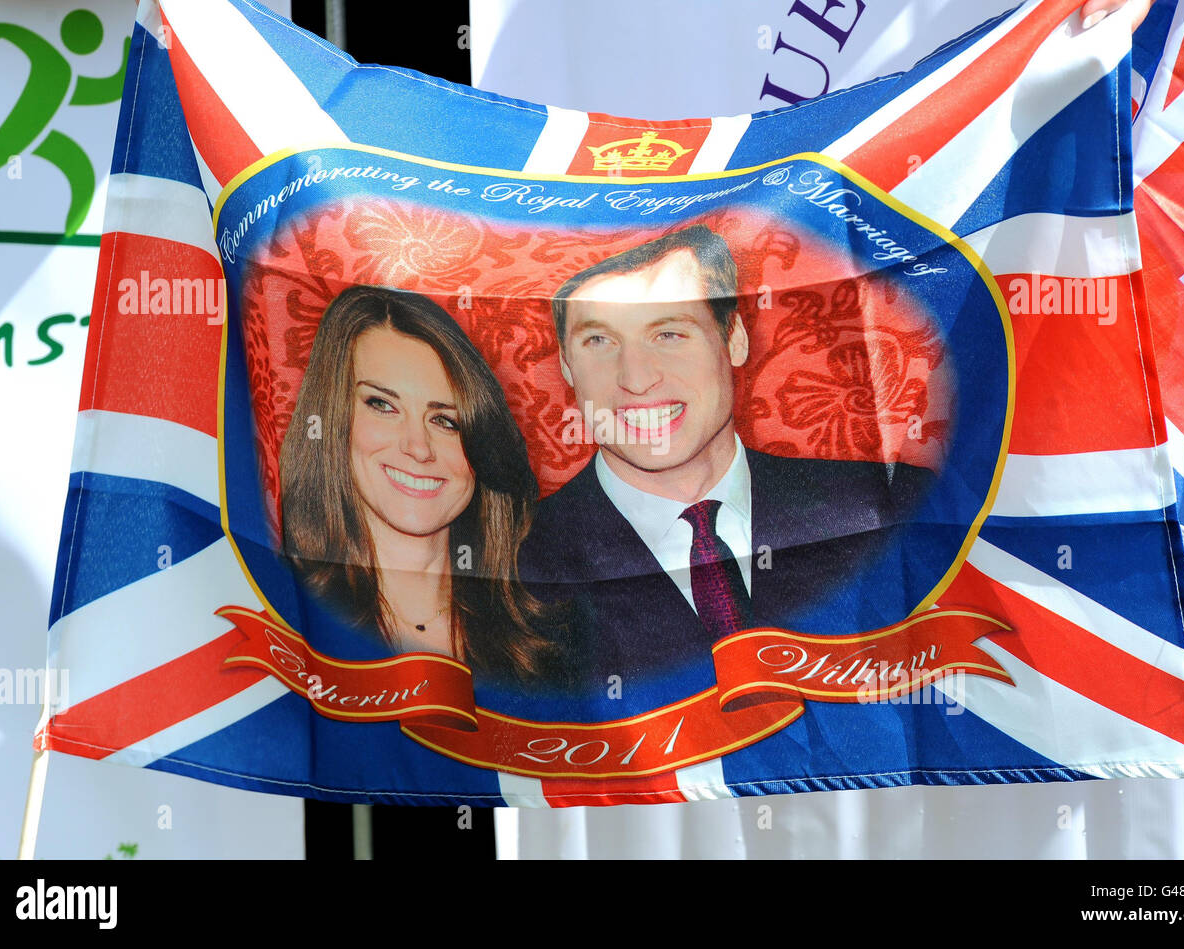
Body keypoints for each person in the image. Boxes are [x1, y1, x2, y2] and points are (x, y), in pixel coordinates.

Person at [520, 226, 936, 688]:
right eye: (598, 341)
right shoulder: (508, 564)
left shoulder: (896, 505)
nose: (636, 379)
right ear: (565, 365)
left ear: (734, 338)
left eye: (670, 334)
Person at [279, 285, 557, 685]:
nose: (418, 447)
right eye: (382, 405)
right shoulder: (280, 606)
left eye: (446, 420)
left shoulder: (549, 635)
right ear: (333, 419)